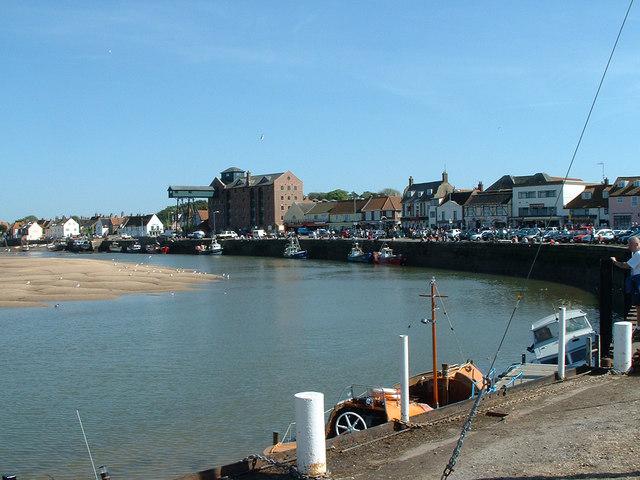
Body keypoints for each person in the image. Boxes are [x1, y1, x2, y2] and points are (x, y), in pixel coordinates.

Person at [611, 236, 640, 329]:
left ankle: (639, 326)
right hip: (636, 279)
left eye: (630, 244)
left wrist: (615, 262)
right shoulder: (635, 253)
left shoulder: (638, 254)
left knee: (638, 305)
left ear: (637, 244)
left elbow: (626, 265)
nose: (628, 246)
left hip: (638, 280)